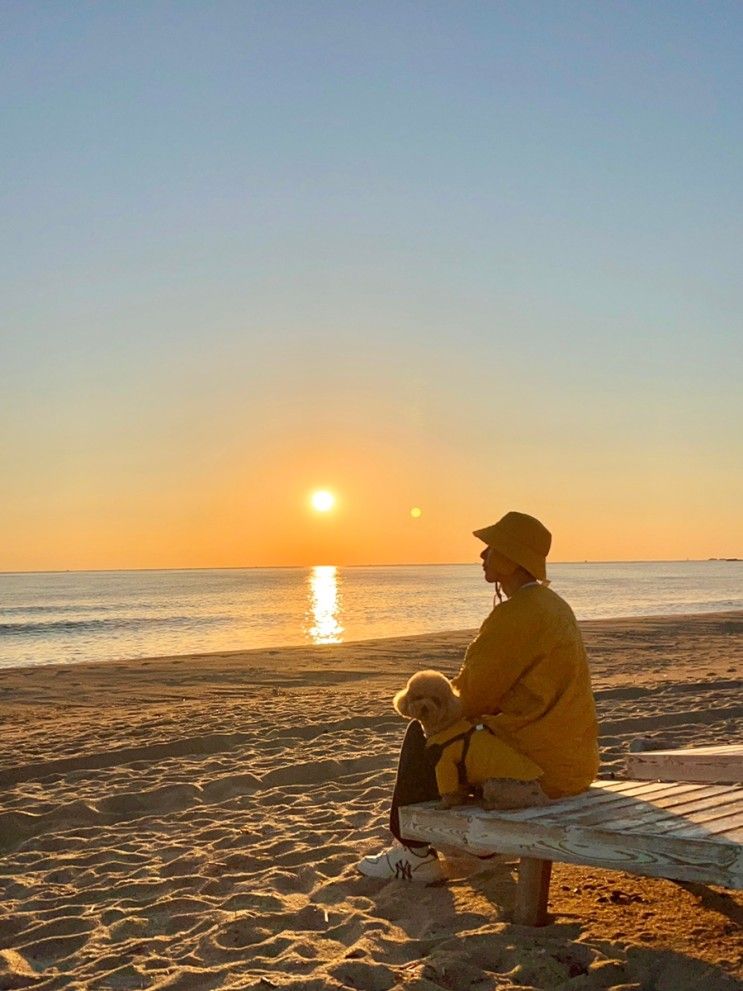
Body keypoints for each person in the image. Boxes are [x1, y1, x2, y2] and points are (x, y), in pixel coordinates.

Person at [357, 510, 600, 882]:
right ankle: (469, 840)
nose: (482, 555)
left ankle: (413, 852)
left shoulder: (516, 615)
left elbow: (469, 699)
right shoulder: (555, 607)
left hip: (536, 769)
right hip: (574, 763)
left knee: (424, 732)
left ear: (511, 557)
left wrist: (429, 702)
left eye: (491, 548)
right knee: (461, 735)